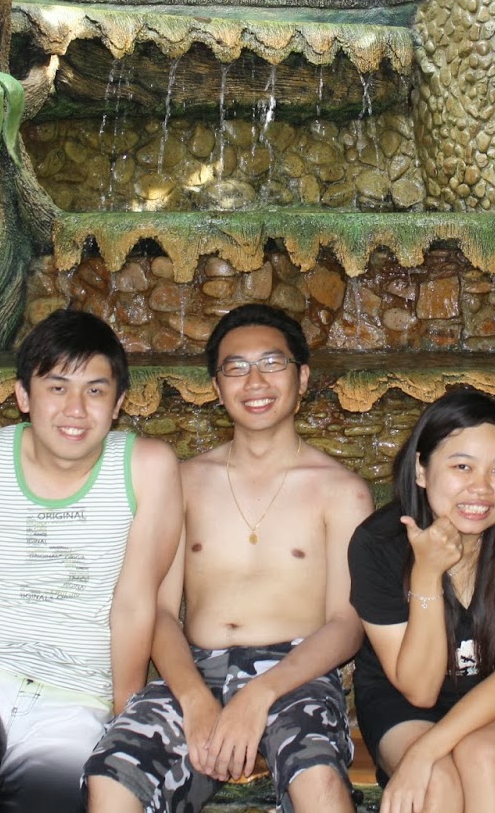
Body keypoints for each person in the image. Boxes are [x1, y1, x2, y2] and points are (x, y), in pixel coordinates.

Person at [86, 304, 373, 813]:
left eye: (272, 363)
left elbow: (346, 625)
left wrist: (260, 695)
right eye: (236, 368)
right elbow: (158, 610)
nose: (255, 381)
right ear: (217, 388)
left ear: (303, 378)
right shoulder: (185, 482)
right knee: (111, 778)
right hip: (196, 669)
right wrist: (194, 698)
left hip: (297, 675)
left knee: (319, 784)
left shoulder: (341, 491)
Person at [0, 309, 182, 813]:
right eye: (57, 387)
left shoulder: (146, 467)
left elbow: (136, 604)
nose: (76, 409)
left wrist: (124, 717)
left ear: (118, 403)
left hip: (78, 695)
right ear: (23, 395)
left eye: (95, 390)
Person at [347, 389, 495, 813]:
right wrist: (427, 574)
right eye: (462, 466)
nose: (481, 488)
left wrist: (425, 750)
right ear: (421, 469)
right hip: (401, 697)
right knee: (437, 782)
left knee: (482, 756)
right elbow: (420, 690)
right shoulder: (377, 544)